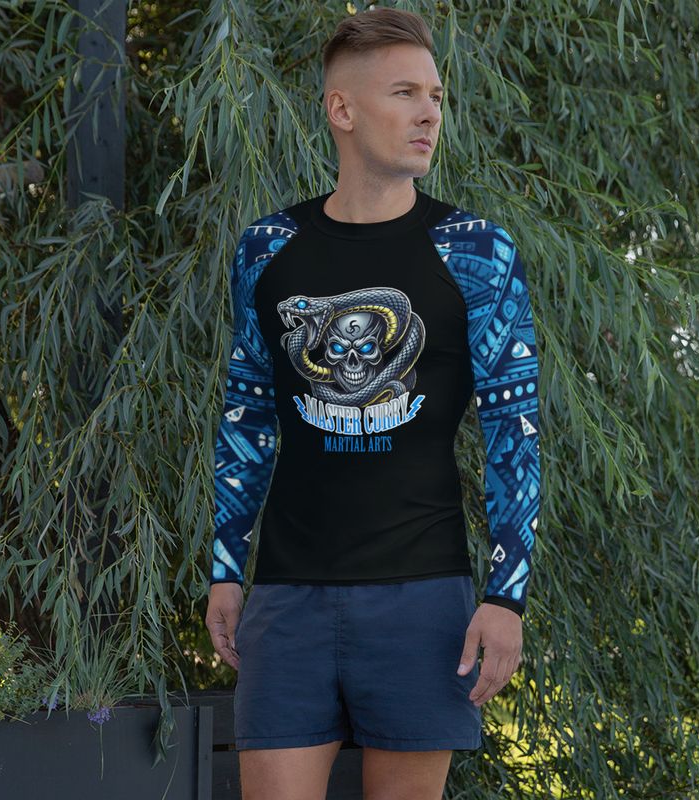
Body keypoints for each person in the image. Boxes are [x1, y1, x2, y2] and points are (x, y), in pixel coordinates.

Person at [204, 7, 541, 799]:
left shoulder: (476, 251)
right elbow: (247, 416)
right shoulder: (267, 249)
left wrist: (506, 597)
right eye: (405, 93)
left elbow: (514, 432)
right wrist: (225, 569)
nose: (430, 113)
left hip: (422, 598)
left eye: (437, 96)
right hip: (287, 595)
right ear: (342, 109)